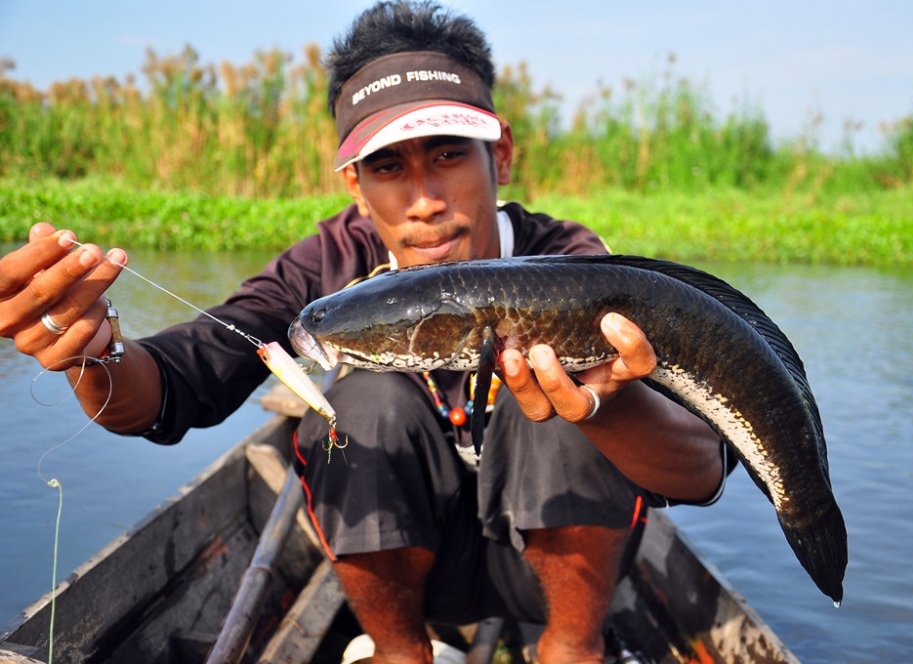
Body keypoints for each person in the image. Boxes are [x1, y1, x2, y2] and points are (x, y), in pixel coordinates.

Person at [0, 2, 729, 662]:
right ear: (355, 183)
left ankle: (574, 649)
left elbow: (701, 467)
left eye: (448, 152)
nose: (424, 201)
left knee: (561, 398)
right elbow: (177, 387)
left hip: (558, 582)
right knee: (366, 404)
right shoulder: (328, 267)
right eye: (388, 166)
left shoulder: (568, 266)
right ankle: (399, 653)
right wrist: (94, 352)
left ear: (498, 154)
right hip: (409, 578)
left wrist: (603, 404)